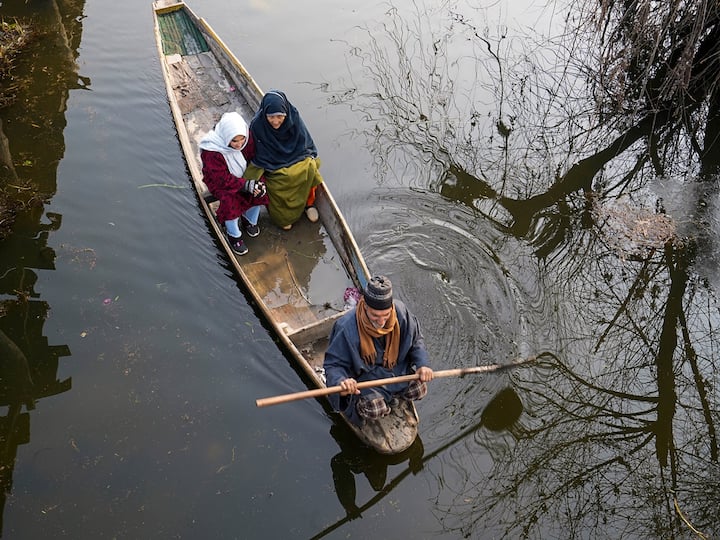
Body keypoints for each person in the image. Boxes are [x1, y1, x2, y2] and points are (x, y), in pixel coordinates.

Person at [323, 275, 434, 426]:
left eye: (386, 315)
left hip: (396, 372)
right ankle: (375, 405)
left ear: (391, 308)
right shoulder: (345, 327)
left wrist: (422, 365)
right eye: (375, 316)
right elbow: (333, 365)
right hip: (367, 381)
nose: (381, 322)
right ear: (365, 306)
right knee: (375, 409)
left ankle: (390, 398)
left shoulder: (401, 313)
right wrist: (342, 382)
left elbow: (416, 341)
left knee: (419, 389)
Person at [246, 90, 323, 230]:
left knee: (311, 167)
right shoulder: (257, 125)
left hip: (295, 154)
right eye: (271, 117)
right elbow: (257, 152)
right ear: (265, 115)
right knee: (281, 179)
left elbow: (305, 142)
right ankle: (283, 217)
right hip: (272, 161)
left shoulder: (294, 117)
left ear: (286, 114)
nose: (276, 121)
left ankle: (309, 204)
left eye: (280, 116)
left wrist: (309, 157)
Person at [199, 111, 269, 255]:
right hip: (221, 181)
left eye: (241, 140)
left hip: (243, 173)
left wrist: (254, 184)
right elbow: (221, 178)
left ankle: (249, 220)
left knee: (259, 189)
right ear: (226, 138)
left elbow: (253, 159)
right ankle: (233, 234)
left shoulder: (247, 139)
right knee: (230, 200)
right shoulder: (212, 151)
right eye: (234, 141)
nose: (239, 145)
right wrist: (245, 185)